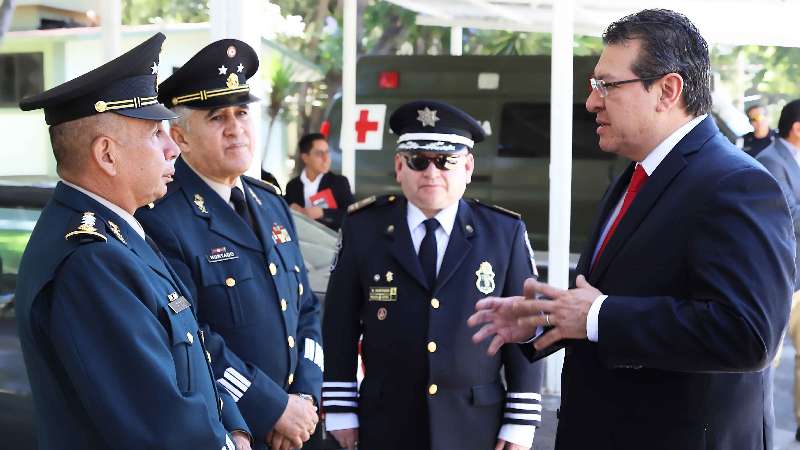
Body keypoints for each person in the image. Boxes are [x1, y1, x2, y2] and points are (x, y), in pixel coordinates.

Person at [468, 9, 794, 450]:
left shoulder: (737, 183)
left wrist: (596, 316)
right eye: (593, 86)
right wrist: (548, 315)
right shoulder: (640, 173)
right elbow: (623, 290)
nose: (591, 102)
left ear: (667, 90)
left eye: (607, 85)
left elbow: (747, 333)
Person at [14, 33, 251, 450]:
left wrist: (235, 428)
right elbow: (162, 429)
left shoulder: (120, 232)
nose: (171, 147)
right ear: (107, 155)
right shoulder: (91, 260)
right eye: (156, 132)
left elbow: (195, 354)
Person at [322, 100, 543, 450]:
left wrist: (520, 420)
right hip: (385, 422)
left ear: (468, 167)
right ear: (399, 166)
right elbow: (339, 323)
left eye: (446, 161)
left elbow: (525, 327)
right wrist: (340, 409)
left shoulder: (504, 233)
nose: (431, 172)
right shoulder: (364, 228)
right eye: (418, 160)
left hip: (475, 425)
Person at [136, 39, 321, 450]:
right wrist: (273, 408)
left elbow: (307, 308)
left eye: (241, 113)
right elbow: (189, 336)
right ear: (180, 137)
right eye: (217, 117)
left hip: (301, 427)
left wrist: (307, 396)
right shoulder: (163, 219)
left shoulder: (270, 202)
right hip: (233, 430)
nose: (236, 127)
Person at [756, 99, 800, 441]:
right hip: (781, 280)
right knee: (764, 365)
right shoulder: (770, 162)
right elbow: (787, 217)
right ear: (797, 129)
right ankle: (760, 433)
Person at [284, 133, 354, 231]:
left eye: (327, 152)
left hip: (331, 242)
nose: (326, 159)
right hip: (302, 241)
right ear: (305, 158)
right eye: (319, 154)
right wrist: (290, 209)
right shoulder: (292, 186)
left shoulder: (339, 182)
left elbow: (352, 215)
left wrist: (323, 213)